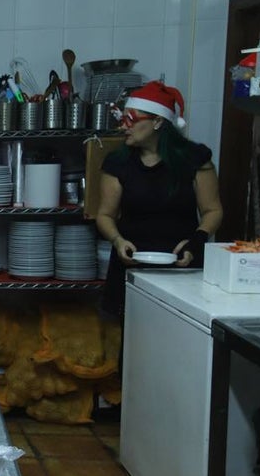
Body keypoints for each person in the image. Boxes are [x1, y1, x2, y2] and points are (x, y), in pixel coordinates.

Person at [95, 81, 224, 317]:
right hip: (132, 264)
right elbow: (105, 214)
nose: (123, 126)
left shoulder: (194, 159)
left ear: (157, 121)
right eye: (122, 118)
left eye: (131, 119)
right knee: (133, 333)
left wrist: (197, 241)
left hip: (183, 265)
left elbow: (212, 210)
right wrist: (117, 240)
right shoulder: (118, 163)